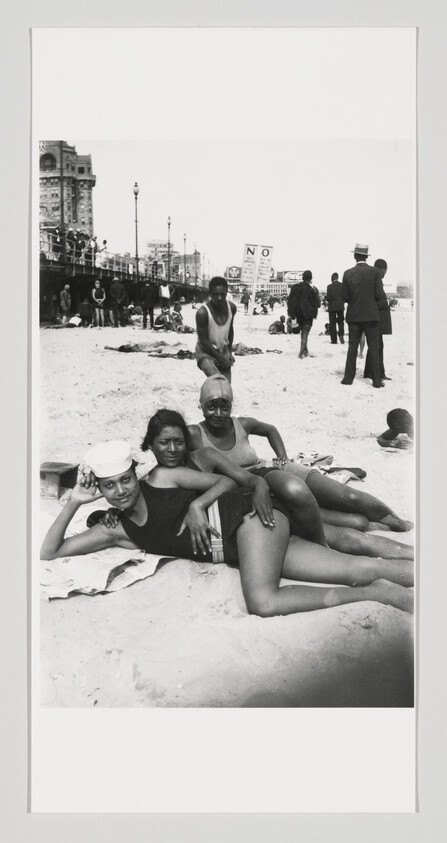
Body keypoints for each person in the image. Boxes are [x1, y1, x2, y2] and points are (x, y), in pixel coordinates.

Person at [41, 436, 413, 616]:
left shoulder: (161, 479)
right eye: (110, 485)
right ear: (100, 489)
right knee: (357, 568)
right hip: (250, 545)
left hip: (251, 519)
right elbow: (50, 551)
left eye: (125, 480)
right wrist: (74, 500)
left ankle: (373, 594)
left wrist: (200, 506)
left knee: (263, 603)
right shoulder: (115, 530)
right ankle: (384, 588)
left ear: (135, 475)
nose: (120, 490)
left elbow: (229, 482)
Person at [187, 375, 413, 540]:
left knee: (349, 496)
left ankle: (392, 519)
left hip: (276, 472)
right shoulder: (195, 434)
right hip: (257, 490)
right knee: (356, 522)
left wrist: (283, 458)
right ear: (201, 406)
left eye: (224, 406)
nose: (218, 414)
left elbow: (270, 430)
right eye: (211, 407)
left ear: (231, 406)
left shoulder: (242, 424)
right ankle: (374, 524)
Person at [341, 243, 387, 388]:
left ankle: (348, 379)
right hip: (371, 316)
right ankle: (377, 381)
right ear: (366, 257)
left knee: (352, 347)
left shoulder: (347, 273)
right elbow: (380, 295)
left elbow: (345, 297)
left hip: (354, 316)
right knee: (374, 347)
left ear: (355, 256)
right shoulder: (375, 272)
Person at [195, 276, 237, 382]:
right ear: (210, 294)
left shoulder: (231, 308)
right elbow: (204, 341)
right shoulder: (203, 313)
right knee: (218, 381)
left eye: (222, 294)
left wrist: (229, 352)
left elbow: (230, 331)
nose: (219, 298)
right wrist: (221, 359)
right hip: (206, 353)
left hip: (223, 351)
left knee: (226, 389)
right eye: (215, 294)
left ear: (226, 293)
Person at [364, 259, 392, 381]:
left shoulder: (372, 280)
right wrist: (387, 302)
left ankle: (372, 372)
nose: (385, 273)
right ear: (381, 269)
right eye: (385, 271)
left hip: (374, 318)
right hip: (376, 319)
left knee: (376, 346)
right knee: (377, 346)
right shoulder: (376, 280)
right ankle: (377, 373)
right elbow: (374, 302)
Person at [287, 270, 321, 358]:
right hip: (308, 315)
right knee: (305, 334)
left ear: (302, 277)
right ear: (311, 278)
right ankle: (300, 354)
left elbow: (291, 301)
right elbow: (318, 304)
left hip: (298, 314)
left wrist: (292, 314)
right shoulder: (313, 289)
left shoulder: (295, 287)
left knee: (302, 334)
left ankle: (306, 351)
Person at [326, 272, 345, 344]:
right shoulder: (342, 285)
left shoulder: (329, 286)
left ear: (332, 278)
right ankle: (341, 335)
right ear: (337, 277)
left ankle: (334, 340)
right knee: (341, 322)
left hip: (332, 307)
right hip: (340, 306)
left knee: (332, 323)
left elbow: (329, 298)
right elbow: (345, 296)